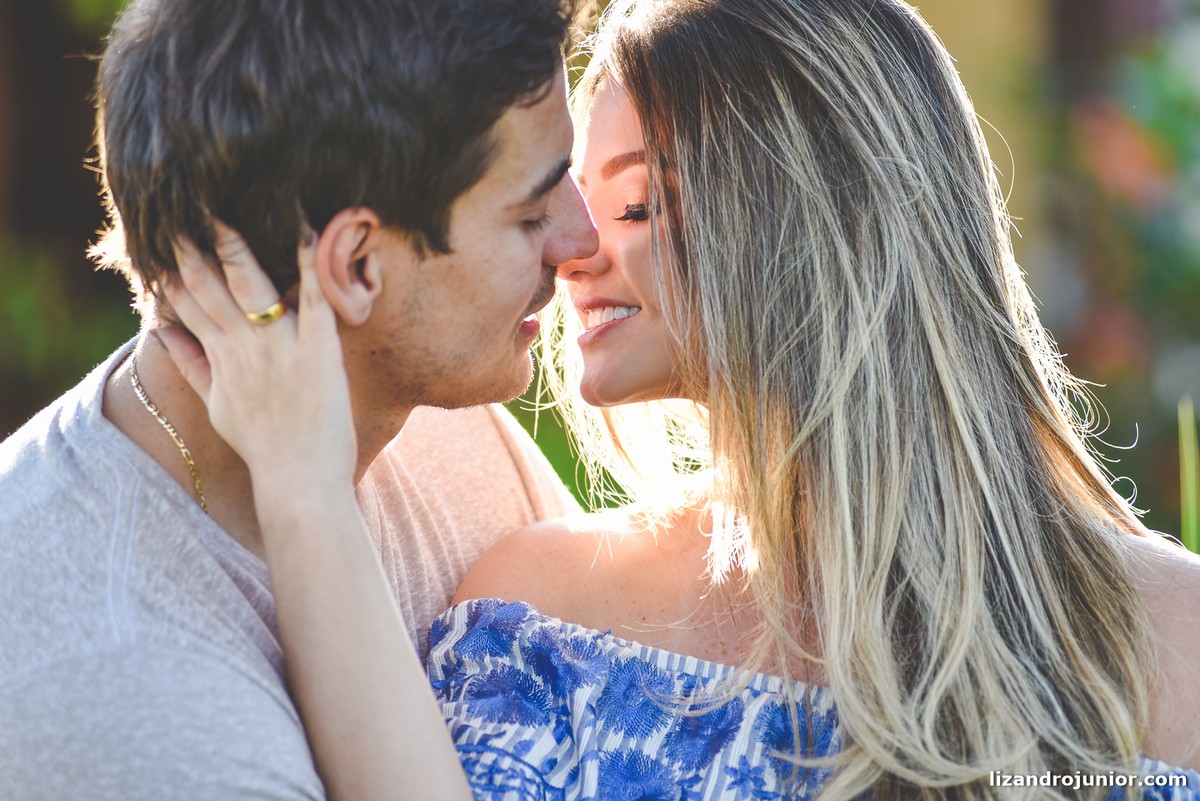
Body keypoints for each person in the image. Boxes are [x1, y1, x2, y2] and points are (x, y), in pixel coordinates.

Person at [161, 0, 1200, 798]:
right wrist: (302, 485)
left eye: (639, 201)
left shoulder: (1173, 640)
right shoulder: (538, 616)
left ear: (815, 223)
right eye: (563, 197)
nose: (572, 251)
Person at [0, 0, 599, 797]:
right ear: (354, 266)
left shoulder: (431, 416)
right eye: (532, 213)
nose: (583, 239)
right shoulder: (132, 713)